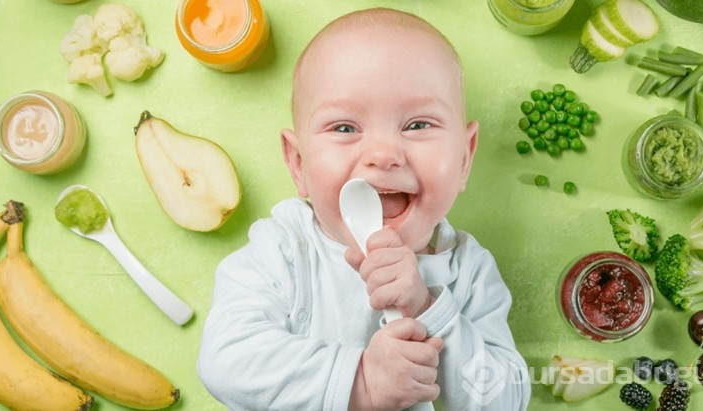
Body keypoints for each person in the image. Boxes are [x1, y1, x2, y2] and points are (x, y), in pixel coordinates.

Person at [197, 7, 531, 410]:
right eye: (344, 128)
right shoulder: (281, 251)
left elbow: (507, 399)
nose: (383, 154)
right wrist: (360, 382)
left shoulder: (469, 273)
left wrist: (427, 309)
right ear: (299, 164)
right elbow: (224, 361)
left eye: (418, 125)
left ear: (464, 158)